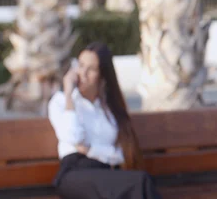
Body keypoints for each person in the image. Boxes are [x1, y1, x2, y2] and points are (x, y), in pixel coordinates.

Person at [48, 42, 161, 199]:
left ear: (102, 75)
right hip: (74, 174)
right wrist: (69, 95)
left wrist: (90, 150)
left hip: (106, 174)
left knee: (139, 183)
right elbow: (72, 137)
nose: (83, 73)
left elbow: (120, 154)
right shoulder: (61, 101)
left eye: (91, 69)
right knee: (140, 182)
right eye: (80, 66)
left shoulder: (108, 108)